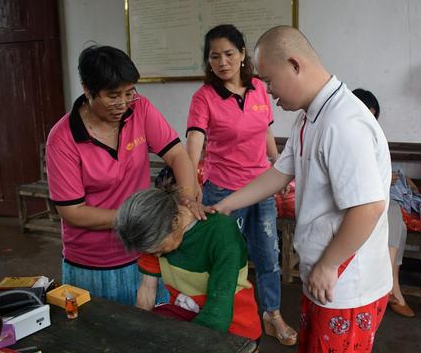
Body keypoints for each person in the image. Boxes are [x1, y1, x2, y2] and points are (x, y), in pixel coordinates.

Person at [210, 26, 392, 353]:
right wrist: (227, 204)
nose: (267, 92)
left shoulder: (343, 122)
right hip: (325, 273)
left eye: (268, 81)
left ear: (295, 65)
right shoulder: (310, 117)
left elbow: (368, 207)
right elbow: (279, 173)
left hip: (346, 282)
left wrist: (327, 265)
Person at [46, 45, 203, 305]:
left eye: (129, 92)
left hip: (146, 249)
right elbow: (72, 211)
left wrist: (186, 201)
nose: (123, 103)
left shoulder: (139, 109)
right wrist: (142, 218)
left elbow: (177, 155)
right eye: (113, 95)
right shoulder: (63, 139)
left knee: (156, 330)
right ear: (87, 89)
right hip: (93, 262)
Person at [185, 24, 295, 345]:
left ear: (243, 54)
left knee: (267, 254)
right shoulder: (204, 97)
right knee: (226, 257)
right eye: (214, 56)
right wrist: (190, 184)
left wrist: (279, 167)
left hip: (261, 187)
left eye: (229, 54)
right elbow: (194, 142)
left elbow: (265, 133)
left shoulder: (260, 88)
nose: (222, 62)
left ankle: (271, 314)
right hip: (223, 191)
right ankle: (226, 315)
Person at [114, 181, 262, 342]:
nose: (156, 255)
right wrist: (140, 331)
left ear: (175, 221)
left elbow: (219, 310)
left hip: (234, 325)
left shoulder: (221, 233)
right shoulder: (152, 234)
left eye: (158, 249)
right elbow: (148, 287)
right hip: (186, 317)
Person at [352, 88, 415, 317]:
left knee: (398, 222)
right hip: (354, 200)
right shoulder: (344, 134)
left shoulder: (370, 134)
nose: (369, 118)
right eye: (366, 112)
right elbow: (353, 176)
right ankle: (392, 288)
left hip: (371, 195)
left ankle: (390, 286)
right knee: (392, 213)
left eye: (373, 114)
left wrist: (391, 178)